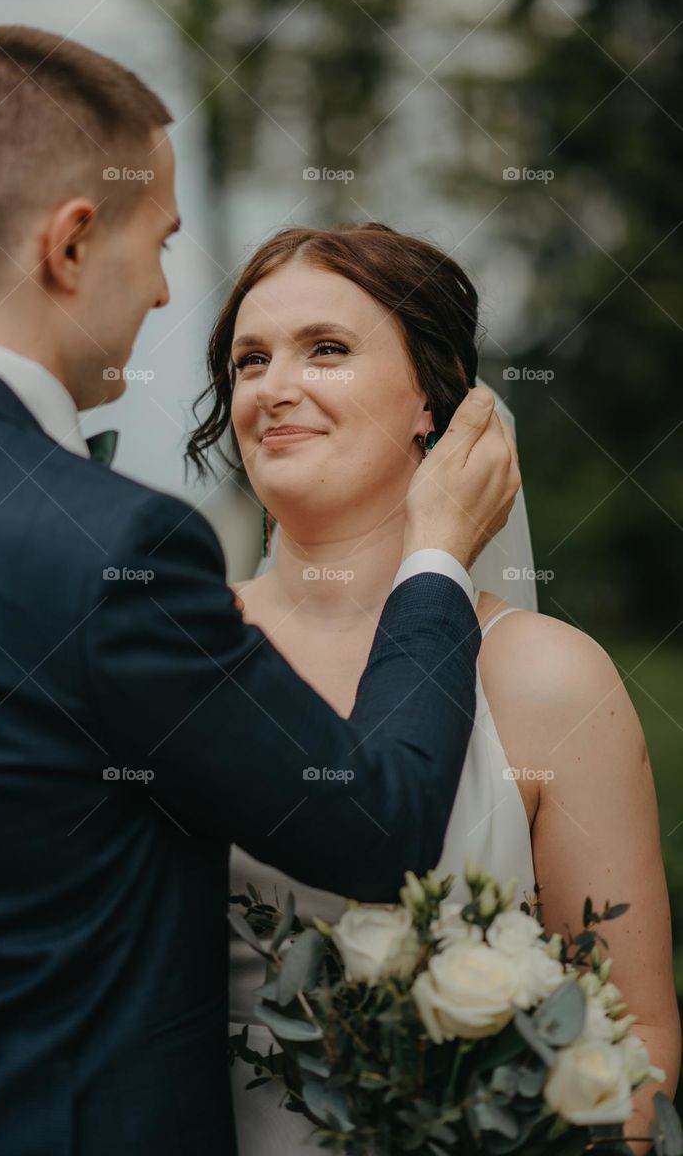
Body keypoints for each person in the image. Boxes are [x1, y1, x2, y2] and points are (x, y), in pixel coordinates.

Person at [0, 27, 518, 1156]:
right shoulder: (117, 548)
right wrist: (436, 555)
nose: (161, 293)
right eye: (159, 244)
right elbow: (372, 826)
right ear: (71, 243)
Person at [185, 222, 681, 1154]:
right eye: (250, 361)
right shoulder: (180, 646)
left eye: (325, 350)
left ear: (430, 393)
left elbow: (635, 1041)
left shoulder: (547, 675)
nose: (274, 388)